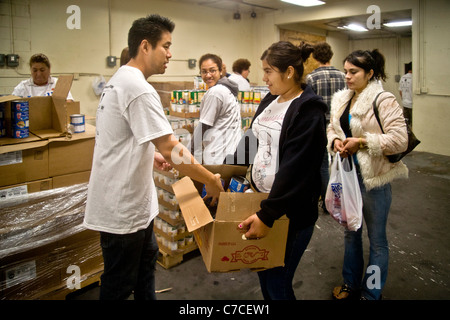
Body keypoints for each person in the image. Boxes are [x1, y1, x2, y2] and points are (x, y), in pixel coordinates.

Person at [84, 14, 224, 300]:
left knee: (145, 270)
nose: (171, 54)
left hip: (135, 207)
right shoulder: (138, 89)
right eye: (166, 46)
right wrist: (209, 179)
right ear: (145, 46)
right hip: (123, 211)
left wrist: (149, 156)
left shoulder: (120, 80)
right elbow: (171, 148)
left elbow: (123, 139)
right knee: (120, 285)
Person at [226, 41, 328, 300]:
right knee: (265, 274)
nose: (264, 78)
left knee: (278, 283)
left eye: (269, 71)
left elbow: (298, 169)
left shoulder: (308, 110)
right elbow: (251, 141)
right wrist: (226, 175)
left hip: (289, 213)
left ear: (290, 72)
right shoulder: (271, 99)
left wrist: (268, 215)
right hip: (262, 201)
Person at [327, 49, 409, 300]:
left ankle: (371, 293)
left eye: (354, 72)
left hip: (373, 180)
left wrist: (361, 142)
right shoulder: (342, 99)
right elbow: (331, 128)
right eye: (346, 71)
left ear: (370, 73)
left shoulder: (384, 100)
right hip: (348, 176)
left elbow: (399, 140)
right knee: (351, 233)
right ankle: (350, 283)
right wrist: (335, 143)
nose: (347, 77)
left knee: (377, 240)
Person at [306, 42, 346, 215]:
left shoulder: (311, 78)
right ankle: (344, 199)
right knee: (341, 165)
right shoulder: (343, 76)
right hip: (340, 126)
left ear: (314, 57)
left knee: (322, 166)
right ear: (330, 55)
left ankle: (327, 202)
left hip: (321, 126)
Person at [189, 54, 242, 164]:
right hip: (230, 154)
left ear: (220, 71)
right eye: (204, 71)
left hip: (217, 157)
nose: (208, 75)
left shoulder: (216, 92)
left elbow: (202, 127)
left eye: (212, 70)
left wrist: (188, 154)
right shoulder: (227, 90)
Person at [399, 62, 412, 126]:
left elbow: (400, 91)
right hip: (412, 105)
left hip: (405, 103)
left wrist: (403, 99)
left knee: (405, 123)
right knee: (413, 124)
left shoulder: (402, 77)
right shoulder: (414, 78)